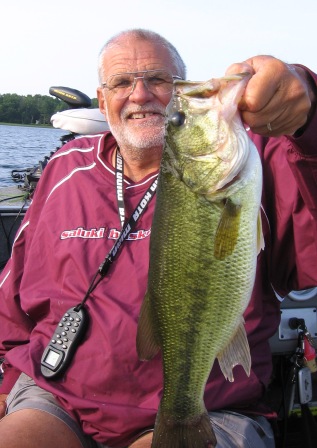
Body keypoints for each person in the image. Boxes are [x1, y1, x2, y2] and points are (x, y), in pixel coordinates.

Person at [0, 28, 317, 448]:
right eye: (121, 82)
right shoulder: (64, 167)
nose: (140, 94)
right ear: (101, 100)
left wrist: (308, 117)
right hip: (57, 396)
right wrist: (7, 382)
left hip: (211, 403)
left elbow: (309, 256)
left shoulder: (260, 159)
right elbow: (15, 288)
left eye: (159, 79)